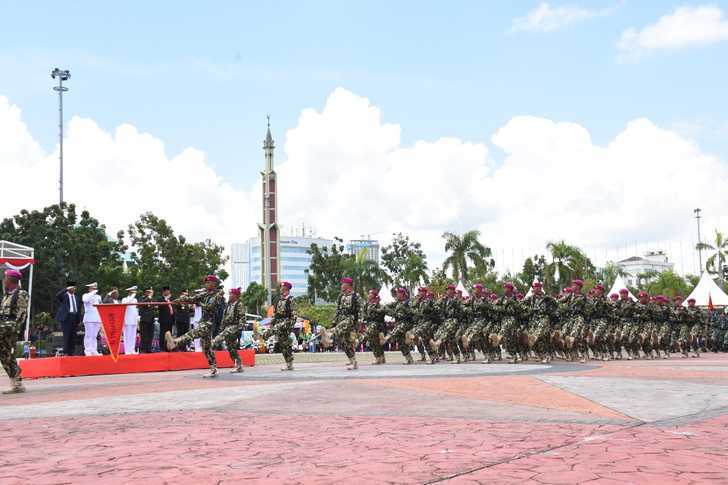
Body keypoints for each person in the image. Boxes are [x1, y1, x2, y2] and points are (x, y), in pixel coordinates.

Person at [165, 275, 225, 378]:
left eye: (209, 282)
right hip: (203, 321)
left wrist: (199, 303)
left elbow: (211, 307)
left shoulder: (217, 295)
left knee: (194, 333)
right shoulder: (204, 294)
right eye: (206, 283)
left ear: (213, 284)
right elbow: (191, 299)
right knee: (206, 348)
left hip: (209, 323)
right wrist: (180, 300)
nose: (207, 284)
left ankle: (175, 342)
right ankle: (213, 368)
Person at [1, 269, 28, 394]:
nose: (3, 281)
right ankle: (17, 383)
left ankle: (17, 383)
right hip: (3, 327)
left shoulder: (21, 294)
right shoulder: (7, 295)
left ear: (11, 281)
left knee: (7, 355)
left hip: (10, 329)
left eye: (5, 279)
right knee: (5, 356)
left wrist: (13, 329)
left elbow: (21, 315)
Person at [211, 287, 246, 372]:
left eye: (231, 294)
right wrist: (221, 328)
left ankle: (213, 342)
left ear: (236, 295)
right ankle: (239, 365)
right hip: (227, 327)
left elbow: (242, 317)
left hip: (234, 327)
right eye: (229, 294)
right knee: (231, 348)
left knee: (221, 338)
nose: (229, 295)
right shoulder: (228, 305)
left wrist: (239, 329)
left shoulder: (239, 304)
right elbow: (224, 318)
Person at [264, 281, 296, 370]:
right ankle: (289, 363)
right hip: (278, 321)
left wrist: (290, 325)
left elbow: (294, 314)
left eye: (283, 288)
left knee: (281, 337)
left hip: (286, 322)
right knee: (283, 344)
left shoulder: (291, 299)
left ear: (287, 289)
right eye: (281, 288)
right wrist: (271, 323)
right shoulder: (278, 300)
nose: (281, 290)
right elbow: (275, 314)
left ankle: (265, 335)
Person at [331, 277, 361, 370]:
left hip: (350, 320)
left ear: (348, 285)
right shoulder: (341, 296)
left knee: (348, 340)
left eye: (342, 284)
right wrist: (333, 322)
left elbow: (360, 310)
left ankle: (329, 336)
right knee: (344, 342)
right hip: (341, 320)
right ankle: (353, 360)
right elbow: (338, 310)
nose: (341, 286)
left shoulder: (356, 296)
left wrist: (359, 324)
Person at [55, 281, 82, 356]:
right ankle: (66, 352)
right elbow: (57, 295)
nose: (74, 289)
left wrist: (79, 320)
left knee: (73, 336)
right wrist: (66, 289)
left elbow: (79, 309)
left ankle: (71, 352)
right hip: (66, 318)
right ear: (69, 288)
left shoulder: (77, 298)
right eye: (72, 288)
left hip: (74, 318)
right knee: (67, 335)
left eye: (74, 288)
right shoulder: (64, 296)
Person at [82, 282, 102, 356]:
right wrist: (92, 293)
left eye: (95, 288)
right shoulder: (86, 295)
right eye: (93, 288)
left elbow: (100, 306)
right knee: (88, 335)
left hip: (97, 318)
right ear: (89, 289)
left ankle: (94, 350)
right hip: (89, 318)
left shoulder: (98, 297)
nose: (94, 289)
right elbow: (85, 300)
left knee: (94, 335)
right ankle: (87, 350)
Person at [121, 286, 139, 355]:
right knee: (127, 336)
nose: (135, 292)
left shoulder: (135, 300)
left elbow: (135, 310)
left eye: (135, 291)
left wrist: (137, 318)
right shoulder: (124, 299)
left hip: (134, 320)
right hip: (127, 320)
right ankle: (127, 350)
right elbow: (126, 303)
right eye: (133, 291)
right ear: (130, 292)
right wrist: (132, 296)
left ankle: (132, 350)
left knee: (133, 336)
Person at [157, 286, 175, 352]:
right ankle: (162, 347)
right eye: (166, 291)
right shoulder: (160, 299)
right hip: (163, 319)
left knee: (169, 333)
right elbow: (160, 306)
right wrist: (166, 299)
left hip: (171, 319)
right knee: (162, 334)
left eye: (169, 290)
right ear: (164, 292)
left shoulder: (171, 298)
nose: (168, 292)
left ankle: (169, 347)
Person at [138, 288, 156, 353]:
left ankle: (149, 349)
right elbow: (141, 304)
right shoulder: (142, 298)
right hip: (144, 320)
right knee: (144, 336)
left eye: (150, 292)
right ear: (145, 292)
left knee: (150, 335)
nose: (149, 293)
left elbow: (155, 306)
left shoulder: (152, 299)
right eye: (148, 292)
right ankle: (143, 349)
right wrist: (149, 297)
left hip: (151, 319)